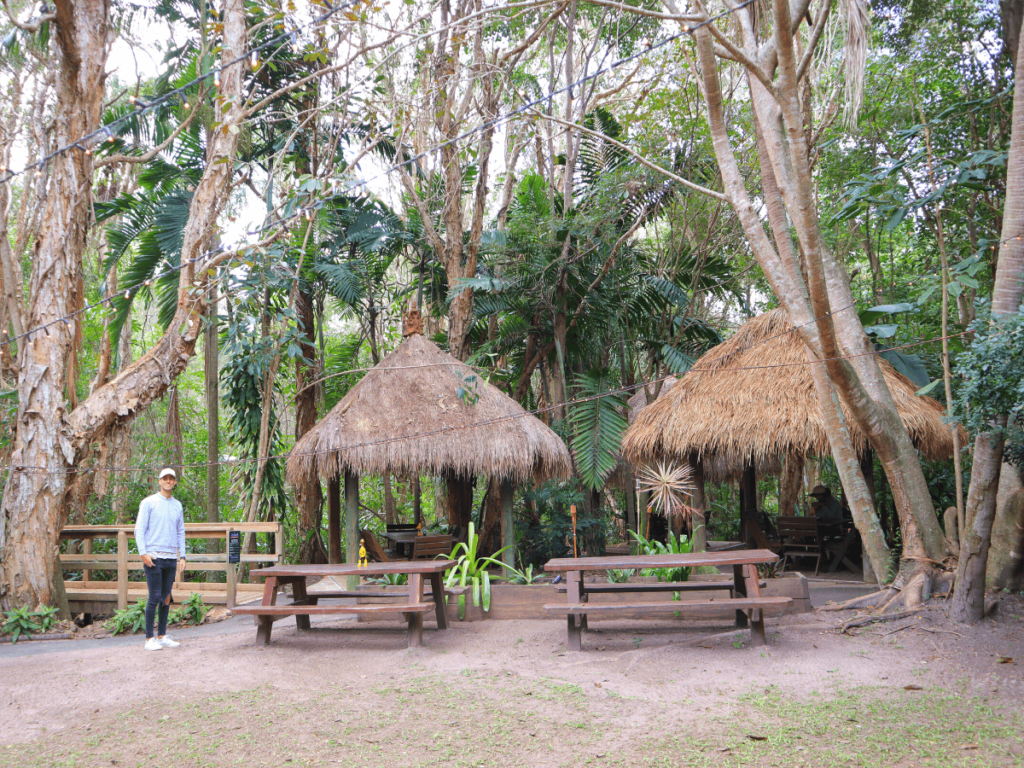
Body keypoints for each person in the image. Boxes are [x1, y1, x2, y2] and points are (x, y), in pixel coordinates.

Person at [135, 467, 187, 651]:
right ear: (159, 481)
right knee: (154, 596)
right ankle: (149, 638)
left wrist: (183, 555)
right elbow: (139, 529)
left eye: (171, 479)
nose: (168, 481)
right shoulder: (149, 502)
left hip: (171, 557)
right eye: (165, 478)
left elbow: (180, 531)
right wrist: (143, 552)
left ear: (174, 482)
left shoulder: (177, 505)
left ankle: (162, 635)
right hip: (154, 556)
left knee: (166, 597)